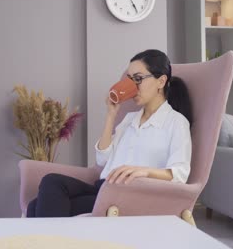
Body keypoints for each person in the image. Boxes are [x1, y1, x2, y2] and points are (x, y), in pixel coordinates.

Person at [26, 49, 192, 218]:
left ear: (161, 81)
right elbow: (103, 159)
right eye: (129, 79)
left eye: (138, 79)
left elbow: (180, 173)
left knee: (37, 206)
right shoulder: (130, 119)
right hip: (103, 187)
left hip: (127, 196)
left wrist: (144, 171)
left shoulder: (176, 123)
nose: (133, 86)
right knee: (50, 183)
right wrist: (111, 115)